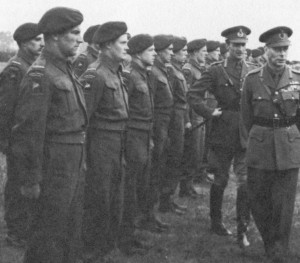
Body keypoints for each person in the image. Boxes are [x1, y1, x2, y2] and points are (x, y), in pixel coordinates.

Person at [10, 7, 87, 263]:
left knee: (67, 231)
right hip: (52, 169)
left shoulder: (64, 69)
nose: (80, 38)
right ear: (53, 36)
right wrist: (31, 179)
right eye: (74, 33)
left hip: (69, 165)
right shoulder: (41, 74)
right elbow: (28, 133)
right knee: (46, 236)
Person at [188, 26, 257, 248]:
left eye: (243, 45)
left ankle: (242, 228)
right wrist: (209, 112)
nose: (240, 49)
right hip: (223, 131)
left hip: (246, 131)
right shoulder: (216, 71)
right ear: (227, 46)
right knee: (220, 179)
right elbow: (193, 95)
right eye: (236, 45)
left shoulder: (253, 70)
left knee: (245, 181)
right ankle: (216, 222)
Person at [241, 26, 300, 262]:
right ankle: (269, 240)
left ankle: (279, 251)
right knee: (259, 200)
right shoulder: (253, 79)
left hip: (288, 148)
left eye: (285, 49)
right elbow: (245, 117)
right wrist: (249, 146)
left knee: (284, 206)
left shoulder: (297, 79)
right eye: (277, 49)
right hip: (260, 148)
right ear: (266, 50)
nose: (282, 54)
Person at [79, 21, 130, 259]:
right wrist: (85, 157)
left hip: (116, 142)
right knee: (99, 197)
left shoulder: (115, 71)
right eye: (123, 43)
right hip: (100, 145)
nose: (127, 47)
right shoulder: (96, 74)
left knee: (114, 196)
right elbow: (82, 119)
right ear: (108, 45)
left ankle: (108, 245)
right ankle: (92, 248)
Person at [0, 22, 43, 247]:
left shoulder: (31, 65)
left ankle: (24, 227)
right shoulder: (16, 69)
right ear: (24, 43)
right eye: (36, 40)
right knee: (18, 184)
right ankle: (15, 232)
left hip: (27, 138)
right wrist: (7, 143)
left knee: (28, 182)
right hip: (17, 139)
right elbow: (6, 110)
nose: (42, 44)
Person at [120, 33, 157, 254]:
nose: (154, 53)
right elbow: (124, 111)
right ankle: (124, 237)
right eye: (150, 50)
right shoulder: (130, 75)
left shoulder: (143, 74)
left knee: (138, 185)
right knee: (129, 187)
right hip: (132, 137)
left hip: (143, 136)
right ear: (138, 53)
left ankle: (130, 232)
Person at [158, 36, 188, 214]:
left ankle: (168, 198)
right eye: (180, 50)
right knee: (170, 159)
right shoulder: (167, 71)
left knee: (176, 158)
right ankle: (164, 199)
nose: (172, 53)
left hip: (178, 117)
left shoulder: (173, 70)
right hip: (170, 119)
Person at [180, 39, 208, 198]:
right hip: (193, 115)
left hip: (200, 113)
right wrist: (188, 119)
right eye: (203, 51)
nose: (205, 54)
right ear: (195, 52)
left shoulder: (199, 69)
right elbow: (187, 96)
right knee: (191, 152)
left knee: (197, 152)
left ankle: (189, 185)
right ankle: (185, 186)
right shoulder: (188, 70)